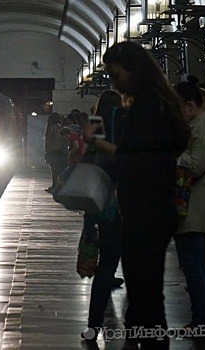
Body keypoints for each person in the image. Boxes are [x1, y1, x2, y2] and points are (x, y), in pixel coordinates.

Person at [82, 41, 190, 349]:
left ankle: (146, 342)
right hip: (154, 209)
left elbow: (133, 159)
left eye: (116, 76)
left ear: (133, 71)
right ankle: (137, 339)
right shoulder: (160, 103)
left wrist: (96, 142)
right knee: (146, 291)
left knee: (145, 293)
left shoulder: (146, 106)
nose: (114, 83)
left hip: (146, 210)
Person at [173, 81, 205, 328]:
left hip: (195, 205)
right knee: (196, 265)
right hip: (194, 203)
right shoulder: (200, 125)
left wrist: (173, 152)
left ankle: (202, 320)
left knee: (192, 265)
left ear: (190, 105)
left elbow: (196, 165)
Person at [80, 89, 124, 341]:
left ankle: (93, 325)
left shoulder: (95, 124)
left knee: (105, 265)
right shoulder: (123, 122)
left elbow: (87, 162)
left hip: (99, 202)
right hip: (123, 203)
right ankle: (137, 326)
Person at [43, 112, 67, 193]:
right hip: (58, 151)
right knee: (58, 170)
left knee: (54, 170)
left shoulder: (49, 128)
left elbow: (48, 141)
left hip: (51, 152)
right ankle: (57, 186)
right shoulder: (59, 127)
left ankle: (54, 185)